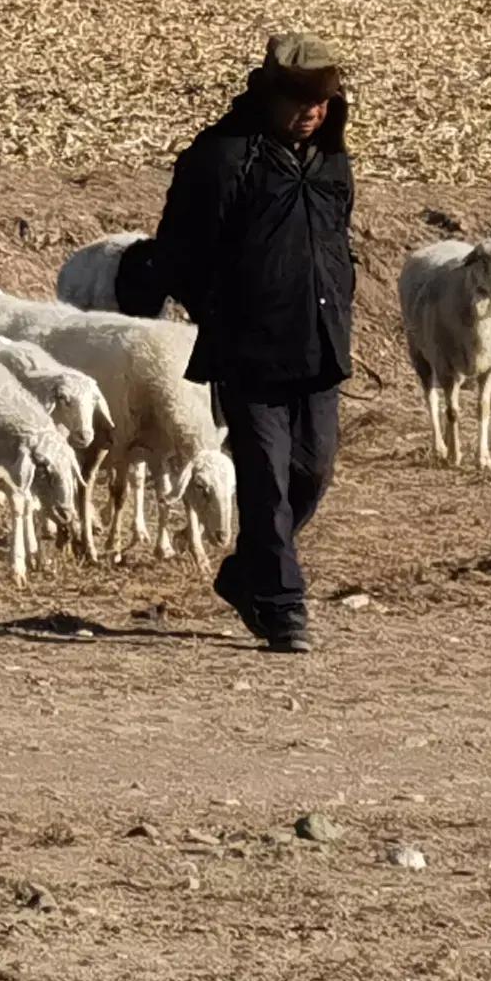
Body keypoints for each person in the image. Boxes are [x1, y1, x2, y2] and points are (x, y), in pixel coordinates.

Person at [117, 33, 355, 651]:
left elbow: (334, 243)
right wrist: (212, 307)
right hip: (249, 348)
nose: (313, 113)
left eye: (323, 101)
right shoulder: (221, 158)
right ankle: (281, 606)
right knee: (266, 481)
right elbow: (179, 248)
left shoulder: (332, 160)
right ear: (267, 95)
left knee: (313, 471)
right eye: (301, 101)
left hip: (319, 343)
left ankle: (247, 572)